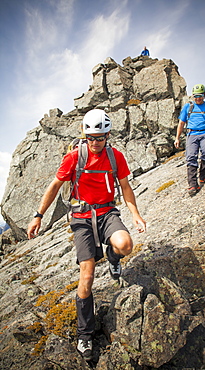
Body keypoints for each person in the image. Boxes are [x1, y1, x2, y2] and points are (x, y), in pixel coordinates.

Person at [27, 109, 146, 361]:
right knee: (87, 275)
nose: (95, 142)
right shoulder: (74, 158)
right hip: (81, 218)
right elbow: (55, 186)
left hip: (106, 213)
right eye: (91, 137)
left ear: (108, 135)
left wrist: (135, 214)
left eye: (100, 137)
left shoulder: (116, 157)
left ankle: (113, 259)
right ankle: (85, 335)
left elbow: (125, 187)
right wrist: (38, 215)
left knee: (125, 245)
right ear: (85, 135)